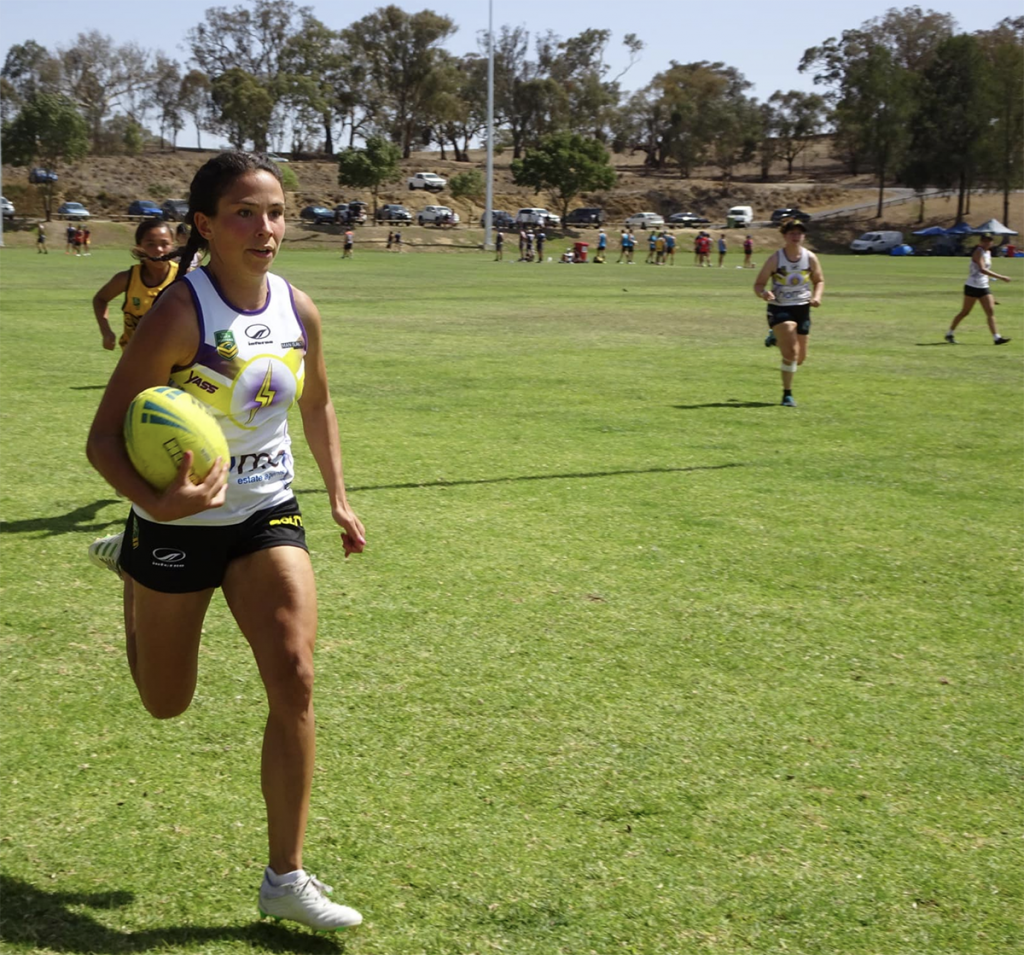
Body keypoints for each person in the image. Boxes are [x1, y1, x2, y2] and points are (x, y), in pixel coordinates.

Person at [85, 151, 366, 933]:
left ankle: (286, 876)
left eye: (275, 212)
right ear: (205, 226)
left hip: (266, 513)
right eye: (245, 212)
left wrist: (338, 495)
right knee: (165, 703)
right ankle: (131, 569)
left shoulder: (299, 308)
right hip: (176, 525)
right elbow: (103, 437)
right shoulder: (181, 312)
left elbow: (317, 401)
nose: (265, 227)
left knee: (296, 675)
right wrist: (156, 505)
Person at [753, 218, 825, 407]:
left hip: (802, 308)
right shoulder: (775, 259)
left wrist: (817, 296)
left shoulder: (810, 257)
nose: (796, 236)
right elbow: (759, 284)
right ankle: (787, 394)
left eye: (799, 233)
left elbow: (819, 280)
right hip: (780, 307)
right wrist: (763, 293)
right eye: (792, 233)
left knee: (799, 359)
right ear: (784, 236)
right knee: (791, 352)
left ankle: (776, 338)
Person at [91, 218, 179, 352]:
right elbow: (100, 299)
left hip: (173, 358)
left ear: (172, 245)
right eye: (150, 244)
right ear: (139, 247)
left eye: (165, 244)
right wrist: (106, 331)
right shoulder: (127, 279)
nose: (159, 250)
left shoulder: (184, 277)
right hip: (134, 357)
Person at [945, 233, 1011, 345]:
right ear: (980, 242)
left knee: (990, 311)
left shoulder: (988, 253)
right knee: (965, 312)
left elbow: (985, 274)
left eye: (989, 241)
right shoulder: (978, 252)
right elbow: (982, 270)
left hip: (983, 286)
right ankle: (949, 333)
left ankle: (997, 338)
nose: (987, 243)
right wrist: (1001, 277)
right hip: (972, 286)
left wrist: (989, 294)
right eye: (984, 241)